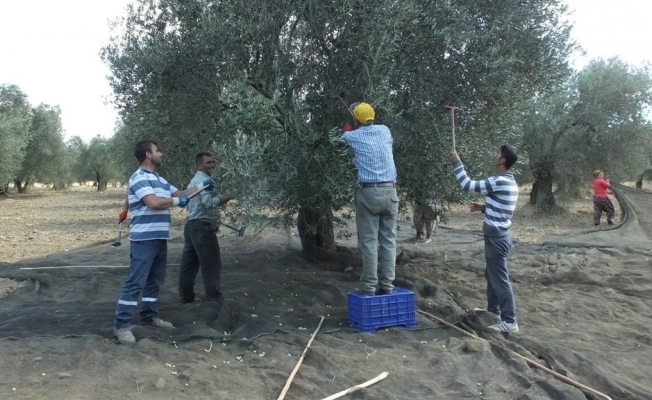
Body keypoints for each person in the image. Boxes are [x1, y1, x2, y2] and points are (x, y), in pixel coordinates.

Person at [113, 140, 212, 345]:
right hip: (144, 239)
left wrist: (202, 186)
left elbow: (180, 194)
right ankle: (121, 325)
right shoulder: (139, 177)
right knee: (135, 282)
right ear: (148, 154)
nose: (162, 154)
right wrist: (176, 202)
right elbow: (154, 202)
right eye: (158, 150)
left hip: (159, 238)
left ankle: (149, 316)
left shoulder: (159, 179)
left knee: (155, 280)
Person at [450, 145, 519, 333]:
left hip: (497, 240)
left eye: (498, 153)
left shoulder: (499, 181)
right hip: (501, 236)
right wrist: (483, 208)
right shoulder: (509, 180)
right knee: (492, 275)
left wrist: (457, 163)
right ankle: (493, 312)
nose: (494, 155)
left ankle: (510, 321)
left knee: (500, 279)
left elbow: (467, 185)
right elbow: (502, 208)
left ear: (502, 160)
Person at [342, 102, 399, 296]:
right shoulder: (385, 130)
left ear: (356, 119)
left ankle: (368, 287)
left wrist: (347, 128)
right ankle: (387, 286)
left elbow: (341, 140)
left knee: (369, 243)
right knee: (389, 242)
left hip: (368, 193)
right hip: (390, 192)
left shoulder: (352, 136)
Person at [178, 152, 235, 304]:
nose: (212, 165)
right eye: (208, 163)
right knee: (211, 264)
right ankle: (215, 299)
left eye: (213, 162)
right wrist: (228, 196)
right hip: (202, 227)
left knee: (189, 264)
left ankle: (186, 298)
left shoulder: (196, 180)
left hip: (192, 225)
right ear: (199, 165)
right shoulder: (203, 181)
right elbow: (209, 203)